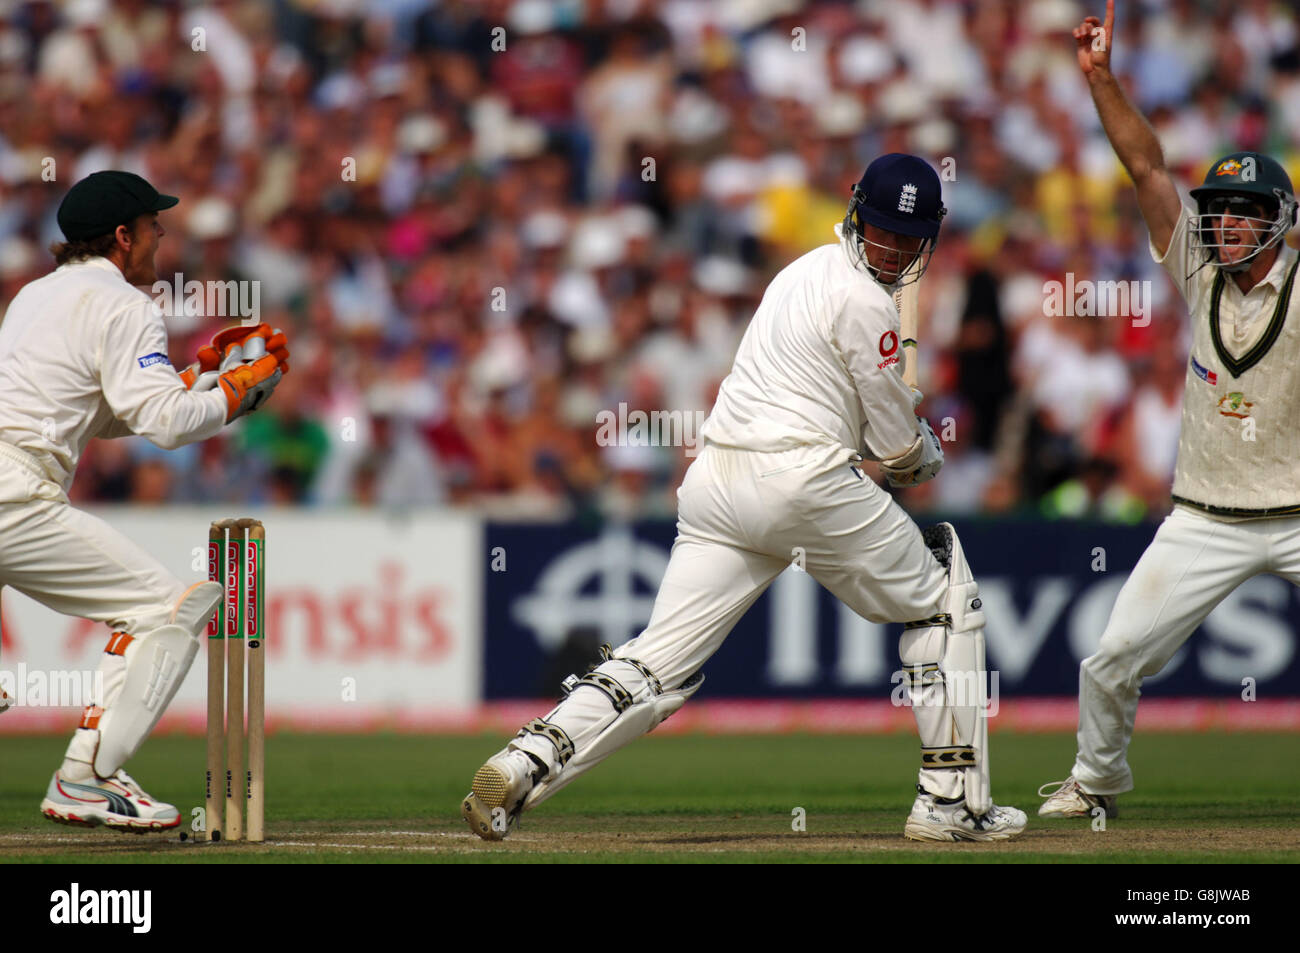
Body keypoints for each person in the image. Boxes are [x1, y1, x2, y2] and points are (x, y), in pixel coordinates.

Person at [463, 154, 1027, 843]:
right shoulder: (868, 301)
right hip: (801, 481)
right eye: (884, 232)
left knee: (657, 661)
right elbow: (896, 450)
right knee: (944, 599)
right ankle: (952, 803)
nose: (893, 248)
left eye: (906, 238)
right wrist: (924, 448)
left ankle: (524, 760)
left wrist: (892, 416)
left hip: (716, 479)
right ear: (857, 217)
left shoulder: (800, 273)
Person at [1040, 2, 1300, 819]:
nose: (1221, 225)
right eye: (1218, 213)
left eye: (1240, 215)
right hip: (1205, 517)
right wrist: (1102, 79)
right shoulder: (1199, 270)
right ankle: (1095, 783)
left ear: (1279, 224)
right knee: (1111, 657)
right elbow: (1148, 169)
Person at [0, 170, 289, 831]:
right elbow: (166, 425)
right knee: (166, 609)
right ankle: (87, 776)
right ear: (124, 237)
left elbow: (103, 413)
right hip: (15, 494)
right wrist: (234, 395)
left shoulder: (32, 298)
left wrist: (191, 381)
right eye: (154, 225)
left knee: (153, 607)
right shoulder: (126, 306)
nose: (162, 236)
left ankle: (89, 772)